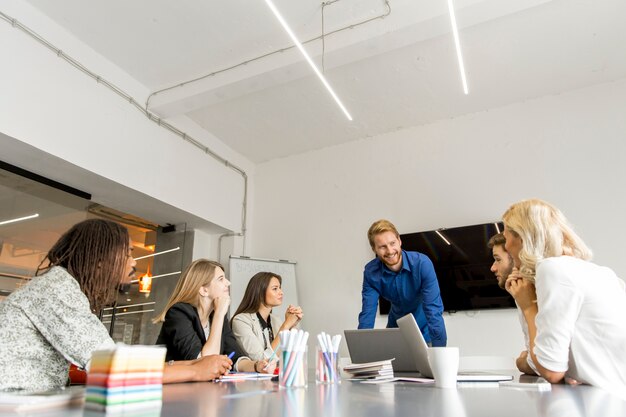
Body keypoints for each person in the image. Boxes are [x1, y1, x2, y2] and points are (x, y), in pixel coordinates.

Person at [0, 219, 232, 391]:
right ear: (101, 257)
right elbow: (111, 365)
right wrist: (196, 370)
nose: (134, 261)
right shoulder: (55, 290)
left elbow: (106, 359)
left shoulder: (62, 287)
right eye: (128, 253)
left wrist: (195, 363)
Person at [502, 199, 626, 397]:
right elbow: (541, 363)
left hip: (604, 404)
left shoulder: (552, 269)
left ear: (523, 238)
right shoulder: (600, 272)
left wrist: (527, 307)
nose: (506, 246)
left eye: (506, 236)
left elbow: (550, 370)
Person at [154, 259, 271, 373]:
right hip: (172, 389)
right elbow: (204, 364)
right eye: (221, 279)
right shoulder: (179, 313)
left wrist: (256, 366)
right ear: (204, 290)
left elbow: (234, 355)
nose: (228, 283)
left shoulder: (215, 316)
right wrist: (219, 314)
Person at [358, 219, 447, 347]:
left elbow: (433, 310)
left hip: (426, 332)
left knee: (429, 366)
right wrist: (362, 351)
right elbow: (367, 313)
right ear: (374, 249)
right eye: (382, 246)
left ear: (399, 241)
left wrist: (440, 353)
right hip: (395, 332)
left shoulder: (422, 264)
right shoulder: (371, 272)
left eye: (392, 243)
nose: (389, 251)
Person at [487, 233, 537, 375]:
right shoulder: (519, 291)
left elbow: (538, 363)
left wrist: (520, 362)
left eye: (498, 260)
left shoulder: (535, 295)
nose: (493, 268)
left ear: (515, 259)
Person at [231, 272, 303, 361]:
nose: (281, 292)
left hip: (278, 374)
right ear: (260, 293)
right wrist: (286, 325)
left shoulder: (276, 320)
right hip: (255, 374)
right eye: (275, 289)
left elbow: (292, 357)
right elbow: (261, 360)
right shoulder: (240, 321)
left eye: (280, 288)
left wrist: (292, 326)